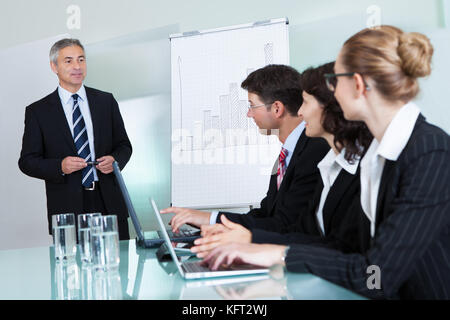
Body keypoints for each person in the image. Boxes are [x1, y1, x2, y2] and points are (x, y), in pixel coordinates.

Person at [201, 26, 450, 300]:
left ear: (356, 84)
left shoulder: (430, 152)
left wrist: (278, 254)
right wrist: (258, 247)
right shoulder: (376, 154)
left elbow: (377, 275)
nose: (331, 91)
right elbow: (343, 247)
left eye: (334, 79)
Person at [191, 62, 372, 257]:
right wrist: (242, 238)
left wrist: (255, 244)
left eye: (306, 102)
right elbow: (304, 232)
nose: (300, 112)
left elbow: (352, 255)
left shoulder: (320, 154)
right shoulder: (327, 162)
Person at [161, 65, 330, 235]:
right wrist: (211, 222)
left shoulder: (314, 151)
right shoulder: (287, 154)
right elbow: (266, 214)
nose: (249, 114)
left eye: (252, 106)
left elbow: (285, 224)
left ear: (277, 109)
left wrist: (211, 219)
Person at [18, 38, 132, 240]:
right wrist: (60, 166)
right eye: (68, 61)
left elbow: (124, 146)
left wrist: (115, 160)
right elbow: (27, 161)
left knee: (118, 268)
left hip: (109, 203)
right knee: (74, 269)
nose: (77, 66)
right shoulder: (38, 111)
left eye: (81, 59)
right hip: (67, 208)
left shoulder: (106, 101)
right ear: (54, 66)